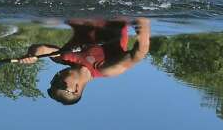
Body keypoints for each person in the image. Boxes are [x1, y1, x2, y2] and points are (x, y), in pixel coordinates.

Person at [19, 18, 150, 105]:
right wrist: (142, 21)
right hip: (113, 14)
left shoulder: (63, 59)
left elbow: (41, 49)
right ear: (76, 90)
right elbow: (139, 53)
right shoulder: (106, 68)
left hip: (79, 10)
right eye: (59, 84)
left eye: (53, 81)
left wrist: (32, 55)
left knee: (44, 20)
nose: (56, 78)